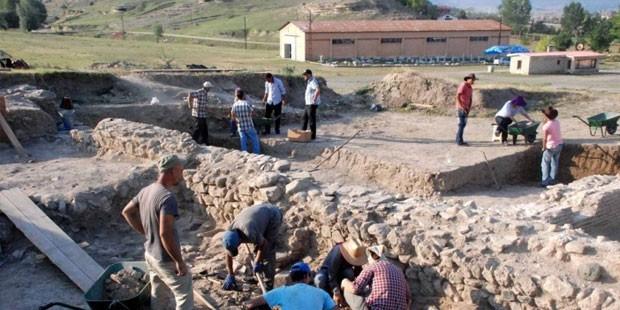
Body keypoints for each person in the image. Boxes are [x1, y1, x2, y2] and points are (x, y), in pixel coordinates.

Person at [121, 155, 193, 310]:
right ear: (173, 171)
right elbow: (165, 233)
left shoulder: (146, 190)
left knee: (158, 292)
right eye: (180, 171)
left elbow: (127, 212)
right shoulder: (167, 198)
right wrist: (179, 262)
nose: (182, 175)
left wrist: (147, 233)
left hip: (150, 254)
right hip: (165, 258)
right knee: (183, 295)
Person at [222, 203, 283, 290]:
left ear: (239, 242)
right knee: (257, 249)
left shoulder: (249, 232)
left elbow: (264, 243)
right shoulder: (230, 233)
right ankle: (258, 276)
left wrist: (257, 261)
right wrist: (230, 274)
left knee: (267, 252)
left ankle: (268, 284)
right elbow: (228, 255)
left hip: (273, 216)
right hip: (258, 217)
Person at [341, 245, 410, 310]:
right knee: (368, 290)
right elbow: (408, 299)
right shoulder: (399, 270)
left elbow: (355, 288)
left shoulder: (373, 266)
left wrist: (344, 282)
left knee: (348, 290)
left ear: (370, 257)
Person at [246, 262, 337, 310]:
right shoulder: (321, 293)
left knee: (262, 306)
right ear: (306, 276)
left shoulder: (282, 291)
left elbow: (250, 304)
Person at [315, 239, 367, 307]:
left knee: (349, 273)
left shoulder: (357, 253)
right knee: (319, 280)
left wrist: (360, 284)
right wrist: (336, 292)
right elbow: (331, 273)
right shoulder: (337, 253)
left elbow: (358, 271)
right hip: (327, 272)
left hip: (341, 274)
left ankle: (344, 295)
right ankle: (328, 301)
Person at [231, 89, 261, 154]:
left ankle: (244, 153)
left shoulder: (234, 105)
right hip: (249, 126)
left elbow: (233, 116)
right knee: (255, 140)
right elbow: (253, 113)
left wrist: (237, 120)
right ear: (243, 96)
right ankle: (256, 153)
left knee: (243, 141)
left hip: (240, 126)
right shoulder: (247, 103)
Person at [540, 106, 563, 187]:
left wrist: (543, 147)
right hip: (559, 144)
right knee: (554, 162)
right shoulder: (557, 122)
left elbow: (545, 139)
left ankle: (545, 181)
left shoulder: (546, 126)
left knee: (545, 163)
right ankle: (552, 179)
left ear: (546, 116)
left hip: (550, 146)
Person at [456, 73, 476, 146]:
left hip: (466, 108)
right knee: (461, 124)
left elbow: (470, 99)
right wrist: (461, 107)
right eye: (472, 80)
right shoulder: (463, 85)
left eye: (474, 80)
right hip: (461, 108)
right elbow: (458, 96)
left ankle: (460, 140)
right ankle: (459, 141)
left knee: (463, 125)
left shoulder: (470, 87)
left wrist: (469, 108)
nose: (473, 81)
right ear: (468, 79)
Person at [302, 69, 321, 140]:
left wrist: (314, 99)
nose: (304, 76)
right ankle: (302, 133)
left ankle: (313, 136)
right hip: (308, 103)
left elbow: (318, 90)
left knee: (311, 120)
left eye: (305, 74)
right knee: (304, 118)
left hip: (312, 104)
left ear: (309, 74)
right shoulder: (309, 81)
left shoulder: (313, 81)